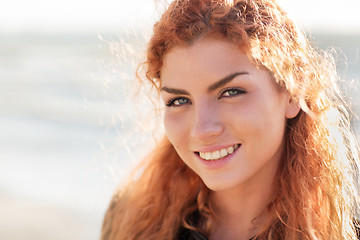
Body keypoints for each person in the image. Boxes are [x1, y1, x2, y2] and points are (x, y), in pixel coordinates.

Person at [101, 0, 360, 239]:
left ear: (294, 93)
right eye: (179, 100)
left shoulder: (344, 231)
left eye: (231, 92)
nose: (202, 129)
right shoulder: (131, 220)